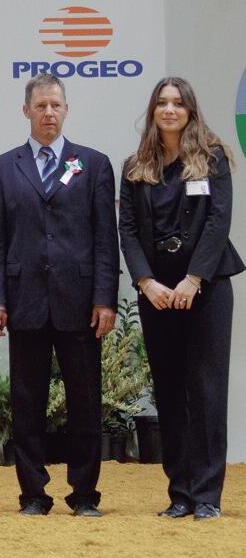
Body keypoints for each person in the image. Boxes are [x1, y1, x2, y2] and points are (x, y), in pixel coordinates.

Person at [0, 73, 118, 517]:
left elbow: (106, 238)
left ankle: (85, 495)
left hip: (80, 303)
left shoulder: (93, 164)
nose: (48, 113)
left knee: (85, 403)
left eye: (56, 105)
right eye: (40, 106)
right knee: (27, 405)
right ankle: (33, 495)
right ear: (26, 110)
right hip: (24, 302)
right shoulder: (3, 167)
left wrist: (105, 298)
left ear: (66, 110)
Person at [118, 77, 241, 521]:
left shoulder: (212, 157)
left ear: (190, 110)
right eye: (162, 103)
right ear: (153, 111)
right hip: (157, 294)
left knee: (206, 392)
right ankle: (181, 493)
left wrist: (193, 279)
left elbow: (219, 221)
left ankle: (207, 495)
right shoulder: (135, 166)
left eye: (178, 103)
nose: (169, 110)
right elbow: (128, 229)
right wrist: (146, 283)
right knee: (170, 392)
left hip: (205, 289)